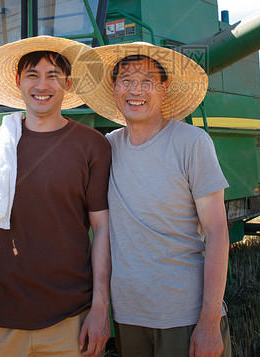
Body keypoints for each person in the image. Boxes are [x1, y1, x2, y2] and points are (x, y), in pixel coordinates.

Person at [0, 36, 112, 356]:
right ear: (18, 82)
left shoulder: (92, 145)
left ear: (67, 83)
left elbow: (103, 229)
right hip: (0, 319)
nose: (43, 84)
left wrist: (99, 308)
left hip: (70, 318)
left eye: (53, 75)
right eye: (32, 75)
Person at [74, 43, 231, 357]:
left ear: (163, 89)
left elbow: (217, 234)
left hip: (183, 316)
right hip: (129, 317)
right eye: (127, 81)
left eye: (147, 81)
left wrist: (210, 322)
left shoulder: (191, 143)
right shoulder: (107, 148)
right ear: (115, 89)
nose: (136, 90)